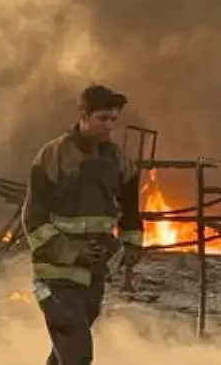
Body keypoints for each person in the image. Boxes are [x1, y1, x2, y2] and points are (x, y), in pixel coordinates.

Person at [23, 84, 144, 365]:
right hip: (55, 275)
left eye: (113, 119)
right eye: (102, 118)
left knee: (65, 353)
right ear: (83, 115)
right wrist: (73, 252)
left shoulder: (119, 162)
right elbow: (34, 219)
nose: (109, 126)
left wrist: (130, 248)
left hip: (94, 275)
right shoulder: (52, 157)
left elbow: (131, 213)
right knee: (76, 354)